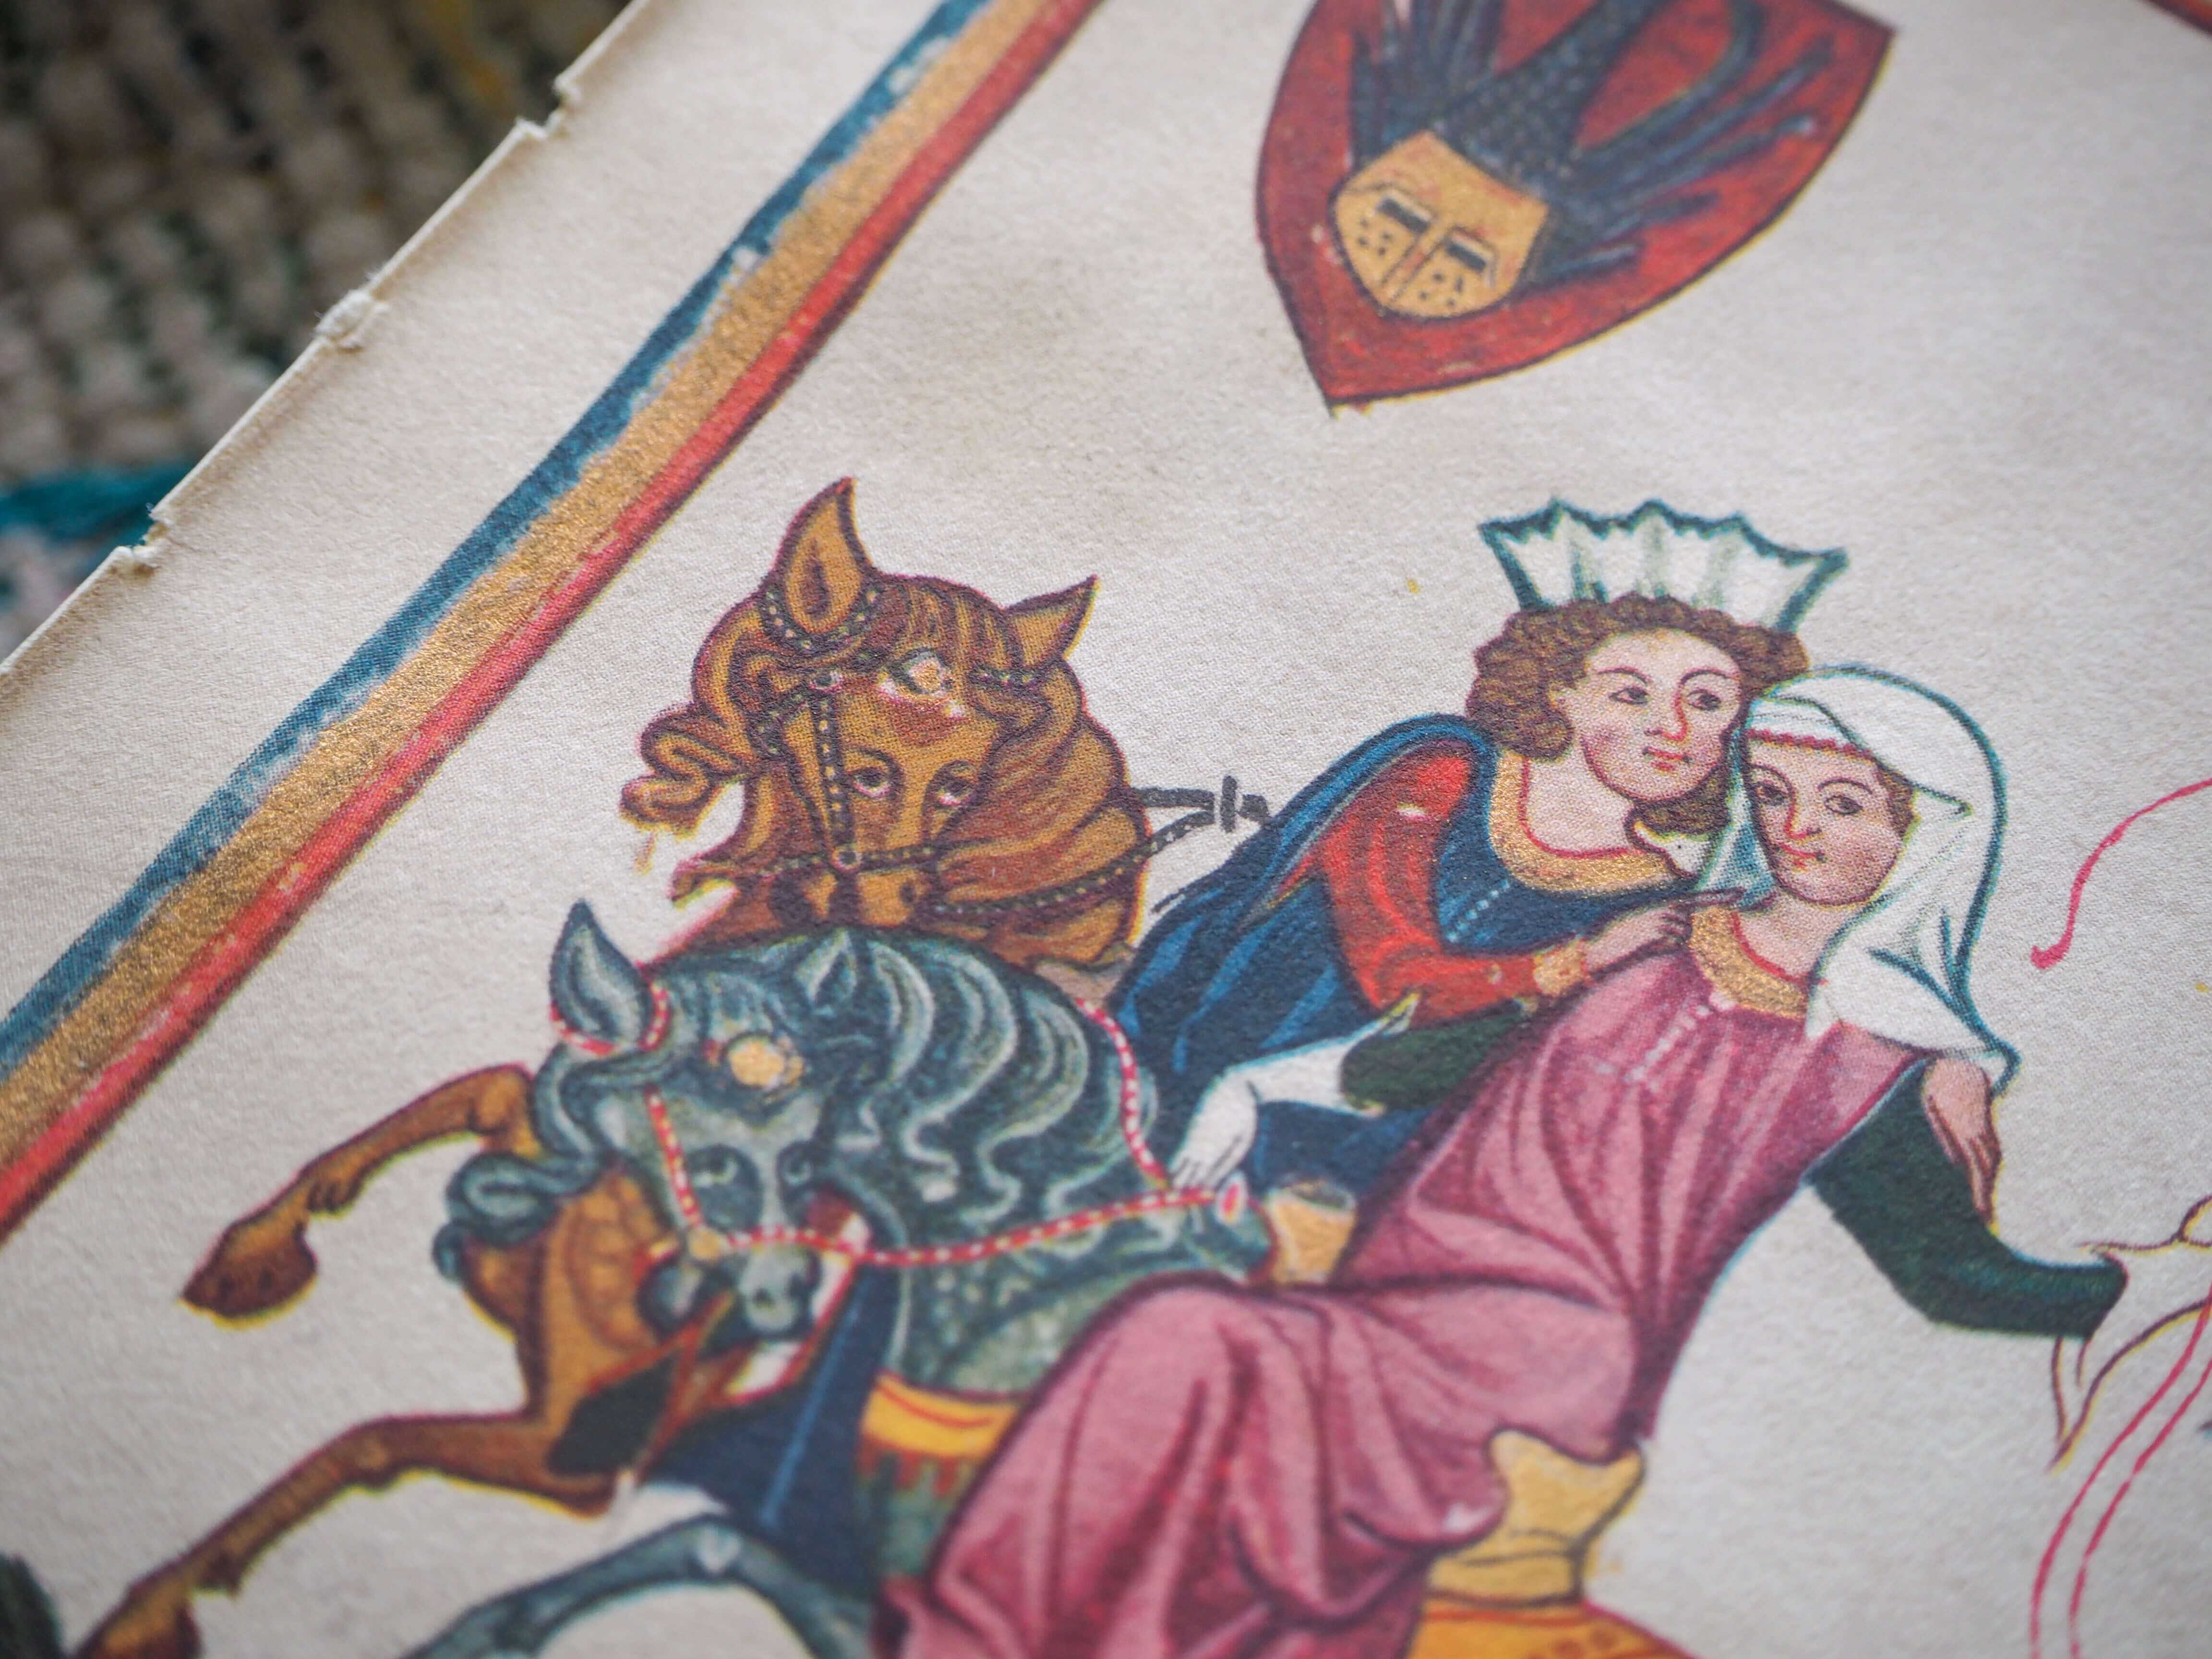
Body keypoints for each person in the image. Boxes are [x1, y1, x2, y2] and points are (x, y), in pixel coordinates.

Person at [890, 668, 2212, 1659]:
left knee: (1187, 1343)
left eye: (1847, 805)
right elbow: (1464, 1052)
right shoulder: (1663, 931)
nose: (1798, 830)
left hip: (1543, 1348)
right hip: (1399, 1278)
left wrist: (2142, 1283)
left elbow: (1945, 1271)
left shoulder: (1874, 1060)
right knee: (1162, 1335)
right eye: (1772, 794)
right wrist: (1273, 1082)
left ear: (1925, 840)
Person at [1119, 501, 1843, 1199]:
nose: (1674, 729)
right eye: (1631, 694)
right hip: (1190, 1078)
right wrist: (1579, 962)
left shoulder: (1659, 902)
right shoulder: (1445, 768)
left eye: (1709, 702)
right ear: (1560, 692)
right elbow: (1391, 974)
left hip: (1363, 1170)